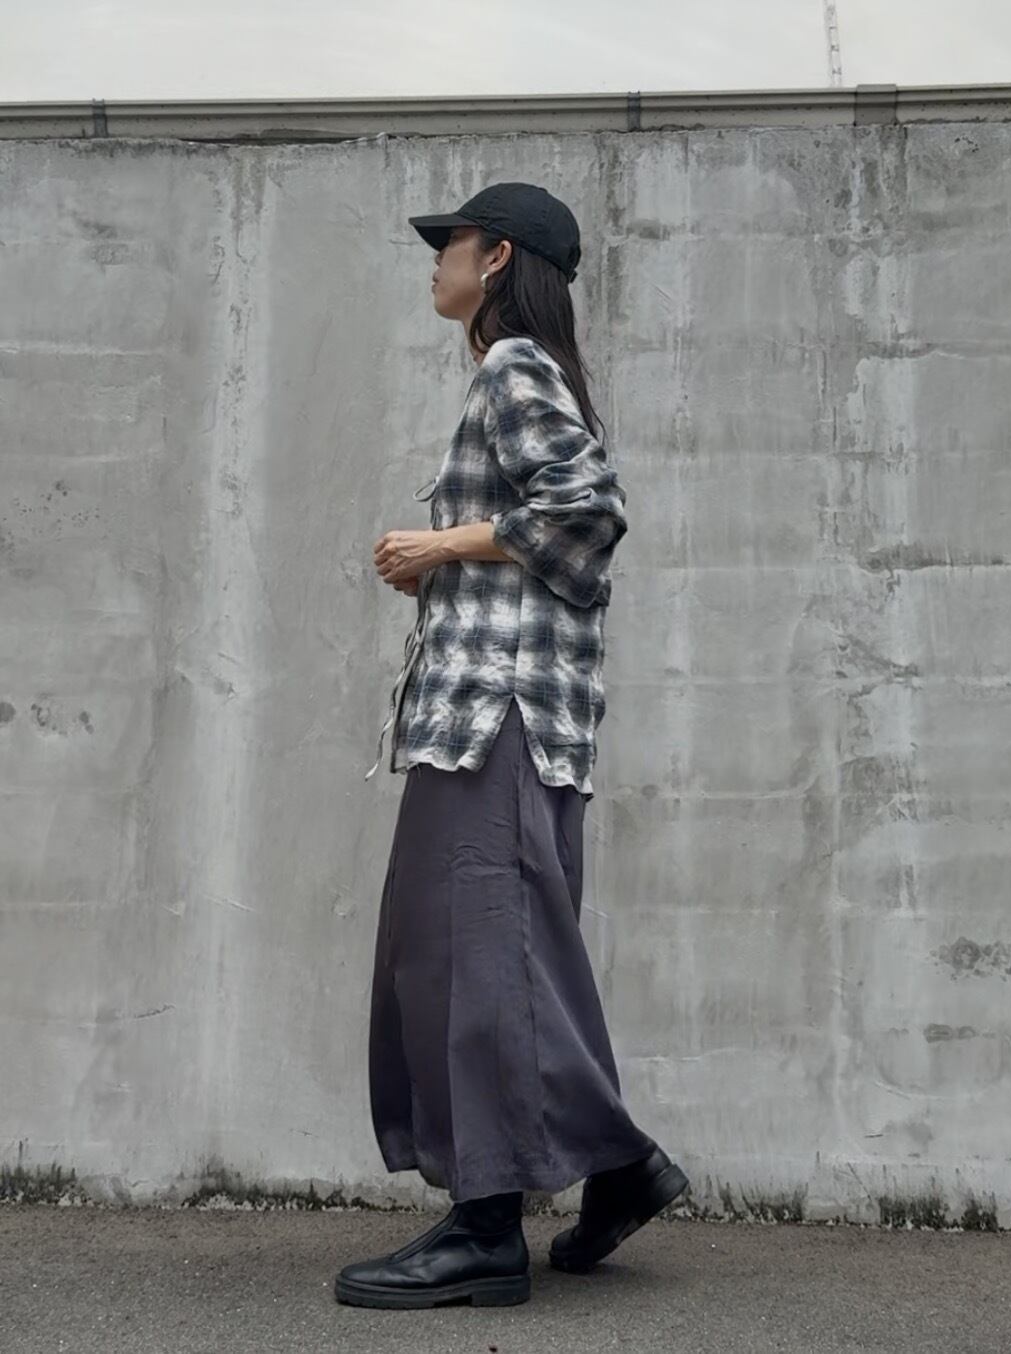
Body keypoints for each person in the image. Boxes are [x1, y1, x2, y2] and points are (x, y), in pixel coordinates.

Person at [334, 182, 688, 1312]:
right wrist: (449, 566)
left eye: (448, 244)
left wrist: (439, 544)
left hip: (499, 716)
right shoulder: (523, 372)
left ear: (494, 259)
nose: (433, 260)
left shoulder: (513, 366)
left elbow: (586, 508)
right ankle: (616, 1166)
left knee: (476, 962)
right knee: (489, 955)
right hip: (500, 717)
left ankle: (487, 1227)